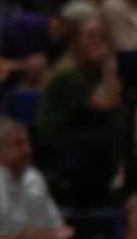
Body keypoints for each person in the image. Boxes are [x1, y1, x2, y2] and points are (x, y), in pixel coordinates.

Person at [35, 12, 122, 203]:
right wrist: (109, 64)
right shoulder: (69, 73)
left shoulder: (91, 68)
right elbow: (109, 103)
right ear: (76, 41)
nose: (98, 42)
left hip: (79, 131)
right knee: (113, 134)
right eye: (91, 36)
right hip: (55, 140)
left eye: (101, 36)